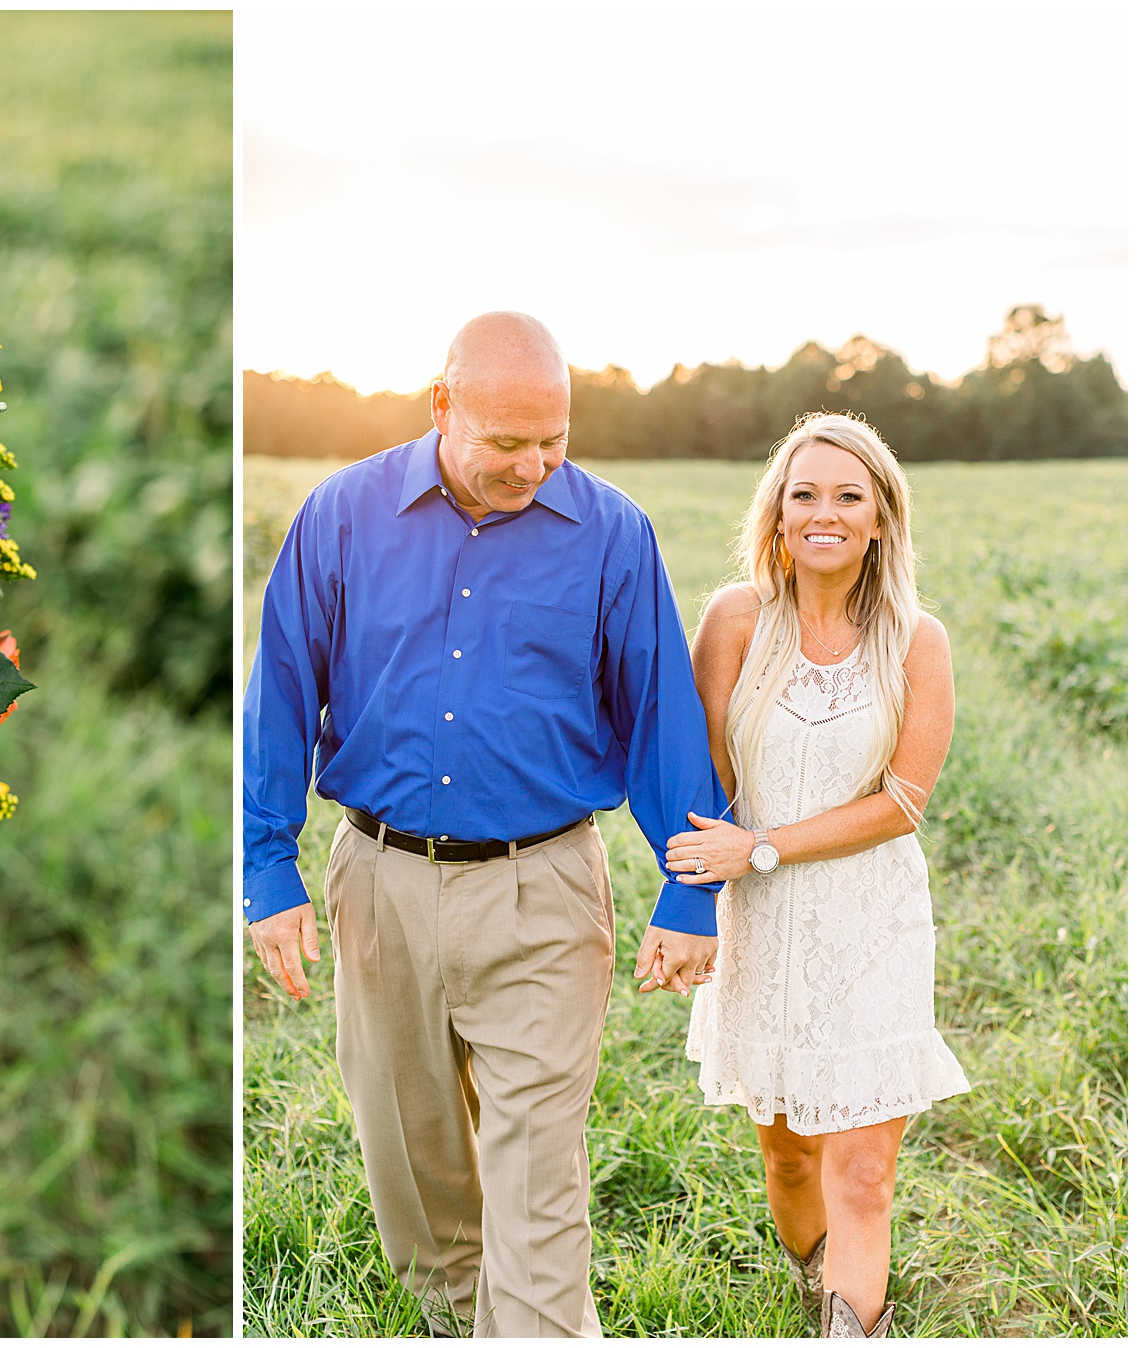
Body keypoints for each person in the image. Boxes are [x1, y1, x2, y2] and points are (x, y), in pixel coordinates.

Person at [244, 311, 727, 1337]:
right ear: (440, 407)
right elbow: (280, 694)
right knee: (413, 1167)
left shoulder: (614, 535)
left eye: (553, 438)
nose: (536, 464)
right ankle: (462, 1317)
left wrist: (691, 894)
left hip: (542, 888)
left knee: (537, 1183)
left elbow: (661, 722)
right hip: (378, 879)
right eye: (508, 443)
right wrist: (266, 870)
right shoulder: (340, 516)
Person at [671, 412, 971, 1338]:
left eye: (849, 496)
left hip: (871, 922)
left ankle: (853, 1325)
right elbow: (704, 782)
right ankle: (816, 1284)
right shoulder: (734, 620)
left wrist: (762, 847)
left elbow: (903, 802)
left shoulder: (917, 640)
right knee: (789, 1157)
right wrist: (687, 902)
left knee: (863, 1170)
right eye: (805, 494)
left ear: (881, 517)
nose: (825, 513)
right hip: (759, 925)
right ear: (778, 512)